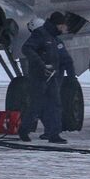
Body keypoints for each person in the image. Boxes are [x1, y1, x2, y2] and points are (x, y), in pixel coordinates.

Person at [19, 11, 74, 144]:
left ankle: (54, 134)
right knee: (36, 105)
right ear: (58, 24)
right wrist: (41, 64)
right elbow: (26, 48)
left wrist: (71, 76)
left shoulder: (56, 39)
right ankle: (23, 129)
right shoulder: (40, 34)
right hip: (39, 77)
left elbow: (66, 59)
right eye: (63, 25)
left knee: (55, 105)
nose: (65, 28)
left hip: (53, 78)